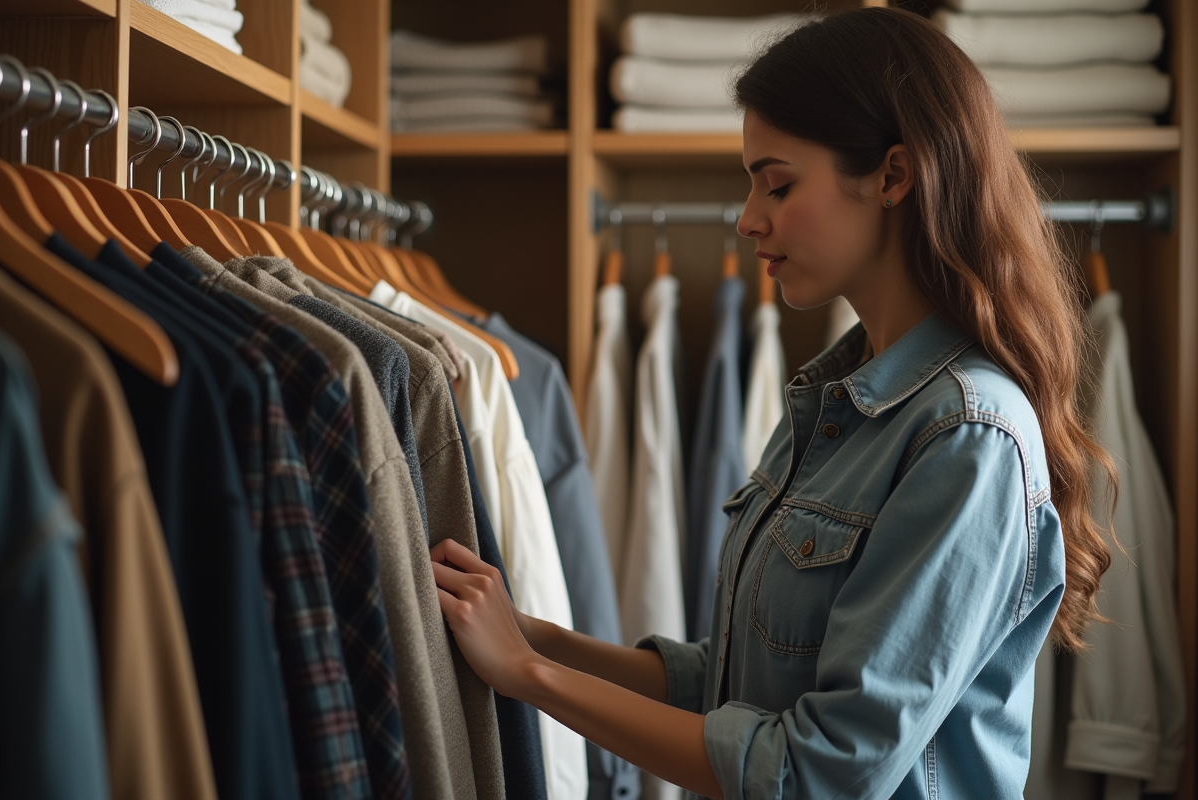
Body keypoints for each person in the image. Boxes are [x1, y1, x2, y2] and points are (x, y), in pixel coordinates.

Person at [429, 8, 1116, 799]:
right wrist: (539, 638)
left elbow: (820, 770)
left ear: (894, 176)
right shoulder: (837, 406)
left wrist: (528, 677)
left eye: (778, 183)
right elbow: (737, 684)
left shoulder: (966, 436)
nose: (748, 219)